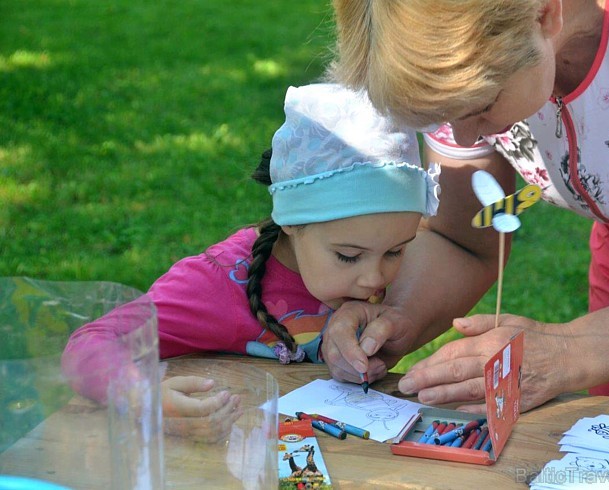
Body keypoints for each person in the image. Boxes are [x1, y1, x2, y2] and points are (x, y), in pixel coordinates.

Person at [321, 0, 609, 411]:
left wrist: (571, 351)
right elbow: (460, 238)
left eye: (482, 107)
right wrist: (397, 317)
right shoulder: (475, 74)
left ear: (545, 14)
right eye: (446, 117)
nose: (466, 139)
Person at [61, 82, 441, 439]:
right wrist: (141, 398)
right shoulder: (216, 284)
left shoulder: (362, 252)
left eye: (396, 251)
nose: (374, 278)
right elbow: (90, 342)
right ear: (292, 222)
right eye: (348, 256)